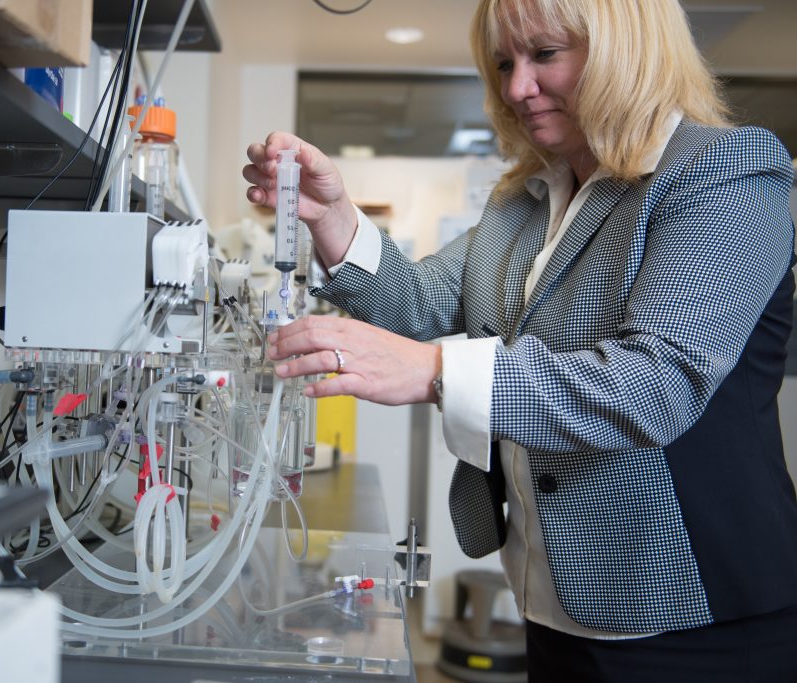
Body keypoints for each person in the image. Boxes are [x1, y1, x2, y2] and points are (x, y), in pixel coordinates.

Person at [241, 0, 797, 680]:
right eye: (504, 62)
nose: (515, 87)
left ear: (624, 47)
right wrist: (331, 217)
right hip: (553, 592)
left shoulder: (724, 172)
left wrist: (439, 370)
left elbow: (656, 381)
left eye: (545, 55)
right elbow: (420, 300)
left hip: (688, 613)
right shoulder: (529, 199)